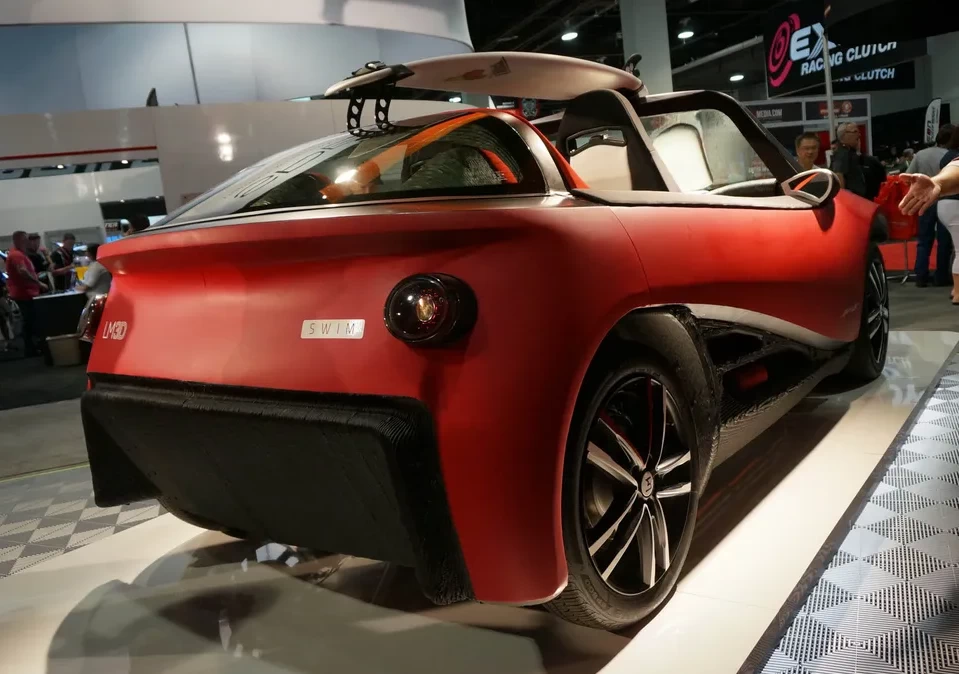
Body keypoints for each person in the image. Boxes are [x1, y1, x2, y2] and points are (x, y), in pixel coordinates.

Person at [909, 125, 955, 287]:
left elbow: (910, 174)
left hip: (924, 200)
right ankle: (941, 276)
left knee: (924, 239)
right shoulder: (951, 156)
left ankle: (921, 275)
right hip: (944, 199)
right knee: (944, 241)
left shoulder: (921, 154)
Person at [5, 231, 48, 356]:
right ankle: (31, 348)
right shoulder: (16, 255)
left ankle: (33, 347)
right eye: (25, 240)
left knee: (31, 320)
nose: (28, 242)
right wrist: (39, 283)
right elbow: (22, 272)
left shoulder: (20, 254)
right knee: (30, 321)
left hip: (27, 292)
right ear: (18, 240)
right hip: (24, 294)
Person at [829, 123, 867, 197]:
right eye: (855, 132)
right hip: (852, 201)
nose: (859, 135)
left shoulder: (850, 152)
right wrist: (843, 199)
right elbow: (838, 175)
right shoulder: (841, 153)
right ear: (844, 135)